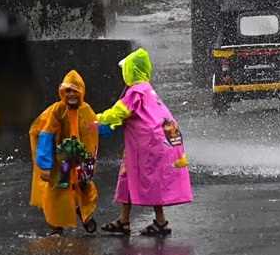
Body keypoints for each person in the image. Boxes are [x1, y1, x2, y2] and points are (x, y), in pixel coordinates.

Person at [97, 48, 192, 237]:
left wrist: (98, 119)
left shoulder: (136, 91)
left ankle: (155, 222)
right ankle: (128, 220)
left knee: (150, 179)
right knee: (129, 177)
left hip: (148, 145)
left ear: (131, 70)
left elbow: (119, 112)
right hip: (158, 142)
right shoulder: (148, 90)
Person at [29, 70, 100, 235]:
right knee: (57, 190)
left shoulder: (86, 110)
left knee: (83, 186)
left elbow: (93, 130)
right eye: (67, 91)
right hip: (61, 160)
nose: (71, 94)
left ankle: (84, 214)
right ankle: (56, 225)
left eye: (75, 90)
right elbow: (46, 135)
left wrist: (88, 160)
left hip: (80, 159)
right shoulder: (58, 110)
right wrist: (45, 165)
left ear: (81, 91)